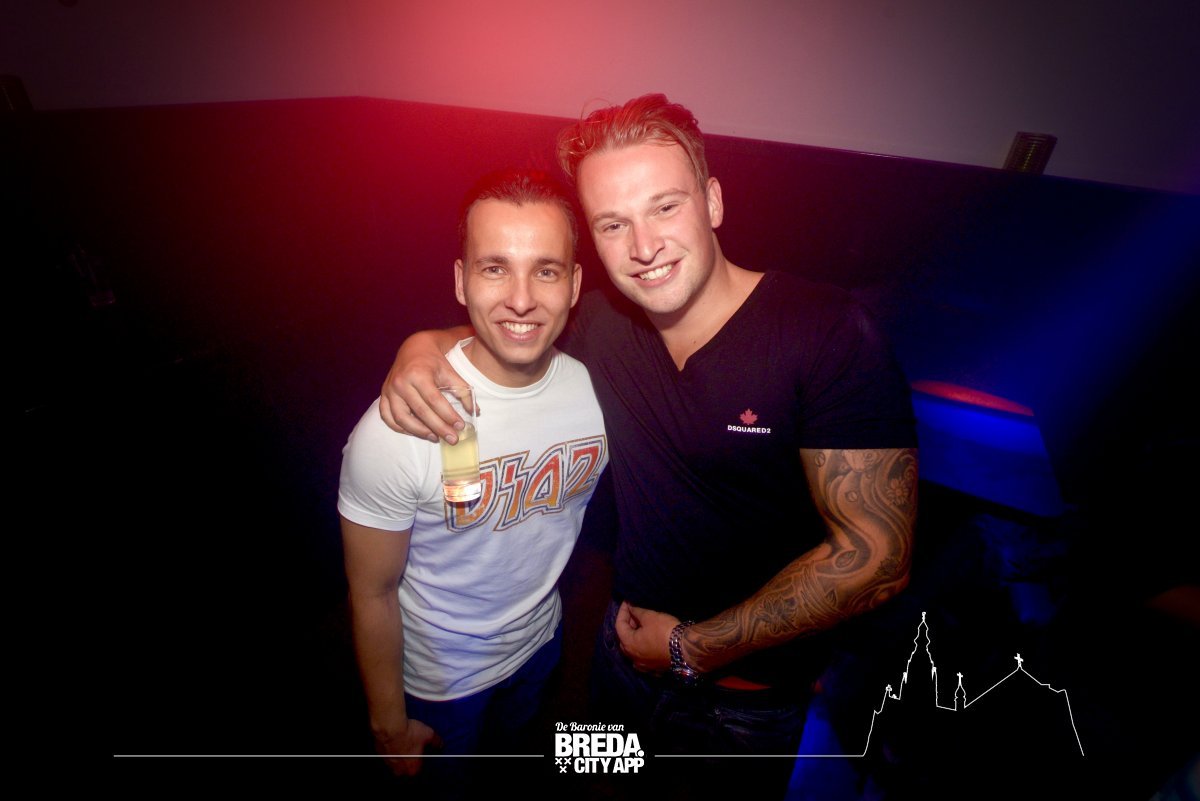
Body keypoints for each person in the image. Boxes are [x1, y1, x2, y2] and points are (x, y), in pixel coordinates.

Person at [378, 95, 918, 798]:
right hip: (616, 660)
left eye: (665, 207)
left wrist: (692, 648)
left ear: (712, 201)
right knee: (598, 783)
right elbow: (510, 324)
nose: (643, 246)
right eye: (613, 223)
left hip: (741, 708)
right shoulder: (602, 322)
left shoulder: (827, 333)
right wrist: (420, 346)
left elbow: (879, 558)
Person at [338, 169, 608, 797]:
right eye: (494, 268)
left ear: (574, 284)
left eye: (545, 270)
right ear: (461, 281)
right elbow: (371, 592)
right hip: (441, 683)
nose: (521, 298)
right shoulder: (399, 427)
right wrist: (388, 723)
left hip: (543, 646)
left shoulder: (601, 391)